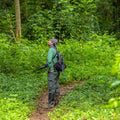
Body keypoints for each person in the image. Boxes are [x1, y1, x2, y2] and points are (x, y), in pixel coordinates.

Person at [47, 38, 60, 108]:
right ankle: (57, 102)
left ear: (52, 43)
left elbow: (49, 60)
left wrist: (50, 68)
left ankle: (51, 103)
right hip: (57, 71)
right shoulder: (56, 50)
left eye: (50, 40)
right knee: (56, 86)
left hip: (52, 71)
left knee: (51, 87)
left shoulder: (51, 50)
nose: (48, 41)